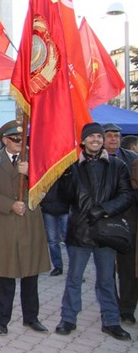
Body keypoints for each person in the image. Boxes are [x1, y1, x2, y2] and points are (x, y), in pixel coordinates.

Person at [55, 122, 133, 341]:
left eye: (100, 136)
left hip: (107, 231)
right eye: (92, 137)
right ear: (83, 140)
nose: (96, 140)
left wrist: (104, 210)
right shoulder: (72, 166)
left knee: (106, 280)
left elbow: (126, 195)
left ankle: (111, 321)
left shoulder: (117, 165)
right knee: (74, 278)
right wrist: (66, 178)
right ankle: (68, 318)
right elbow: (64, 198)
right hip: (80, 231)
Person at [0, 120, 50, 336]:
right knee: (5, 274)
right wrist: (10, 204)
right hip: (5, 222)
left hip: (29, 222)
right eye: (15, 139)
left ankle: (31, 318)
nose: (20, 143)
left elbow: (47, 187)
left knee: (30, 273)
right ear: (5, 140)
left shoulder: (34, 159)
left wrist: (31, 173)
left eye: (23, 139)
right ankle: (2, 320)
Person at [102, 123, 138, 325]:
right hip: (103, 221)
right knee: (106, 269)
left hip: (128, 221)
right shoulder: (93, 159)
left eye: (116, 136)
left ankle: (127, 309)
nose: (113, 139)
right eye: (109, 136)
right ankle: (110, 306)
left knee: (127, 269)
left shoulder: (132, 159)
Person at [40, 182, 69, 276]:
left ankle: (74, 269)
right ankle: (58, 266)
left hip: (65, 207)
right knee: (52, 240)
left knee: (69, 239)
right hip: (49, 208)